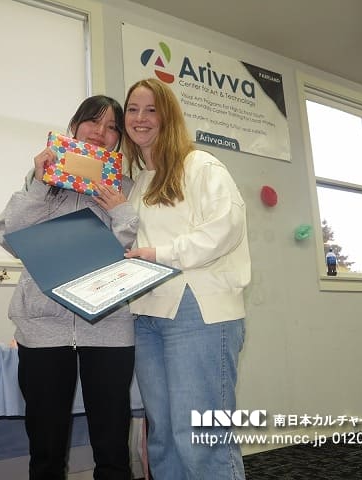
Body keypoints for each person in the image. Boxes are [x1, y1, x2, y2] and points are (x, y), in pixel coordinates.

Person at [0, 95, 138, 480]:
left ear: (118, 139)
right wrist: (41, 186)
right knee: (45, 449)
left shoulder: (124, 186)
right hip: (43, 329)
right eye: (93, 121)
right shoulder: (41, 178)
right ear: (74, 126)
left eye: (112, 127)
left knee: (112, 447)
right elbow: (10, 237)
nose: (101, 132)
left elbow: (134, 254)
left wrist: (120, 209)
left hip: (109, 327)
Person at [122, 78, 251, 480]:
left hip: (198, 310)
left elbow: (225, 228)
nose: (140, 118)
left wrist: (161, 254)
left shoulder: (201, 165)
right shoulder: (139, 182)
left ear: (169, 116)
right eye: (132, 109)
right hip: (147, 313)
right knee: (163, 438)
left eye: (151, 109)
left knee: (200, 438)